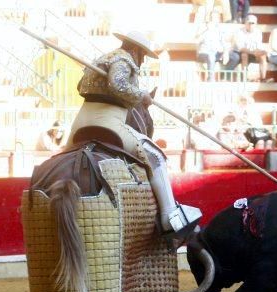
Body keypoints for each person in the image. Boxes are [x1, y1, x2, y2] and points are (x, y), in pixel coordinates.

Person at [70, 30, 202, 237]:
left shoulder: (102, 60)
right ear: (135, 50)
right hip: (108, 122)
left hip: (80, 122)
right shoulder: (123, 59)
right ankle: (169, 215)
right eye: (142, 56)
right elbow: (118, 84)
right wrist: (142, 95)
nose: (141, 62)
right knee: (156, 156)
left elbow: (80, 85)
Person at [196, 9, 240, 81]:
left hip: (217, 52)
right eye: (212, 17)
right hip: (204, 53)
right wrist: (207, 29)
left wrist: (225, 52)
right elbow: (196, 40)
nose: (213, 19)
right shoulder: (202, 27)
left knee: (235, 57)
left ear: (218, 19)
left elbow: (224, 43)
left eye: (215, 18)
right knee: (211, 56)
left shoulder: (220, 29)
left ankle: (224, 77)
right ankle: (211, 79)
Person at [233, 15, 271, 82]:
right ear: (245, 23)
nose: (250, 25)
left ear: (256, 24)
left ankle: (263, 78)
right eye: (249, 23)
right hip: (240, 53)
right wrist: (253, 52)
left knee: (263, 56)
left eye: (252, 23)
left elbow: (258, 46)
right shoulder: (239, 32)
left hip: (253, 52)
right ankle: (244, 78)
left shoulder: (258, 32)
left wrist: (260, 52)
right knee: (244, 55)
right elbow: (241, 48)